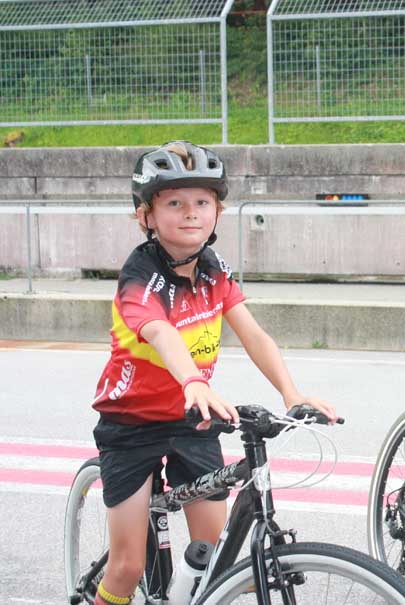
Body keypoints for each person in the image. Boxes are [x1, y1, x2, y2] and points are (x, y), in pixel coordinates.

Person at [89, 141, 338, 605]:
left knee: (213, 556)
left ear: (218, 211)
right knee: (127, 568)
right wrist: (194, 381)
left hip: (192, 419)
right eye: (174, 203)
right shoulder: (139, 275)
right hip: (131, 424)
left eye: (202, 202)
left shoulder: (213, 269)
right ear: (146, 216)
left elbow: (253, 334)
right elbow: (161, 332)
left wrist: (291, 394)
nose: (191, 213)